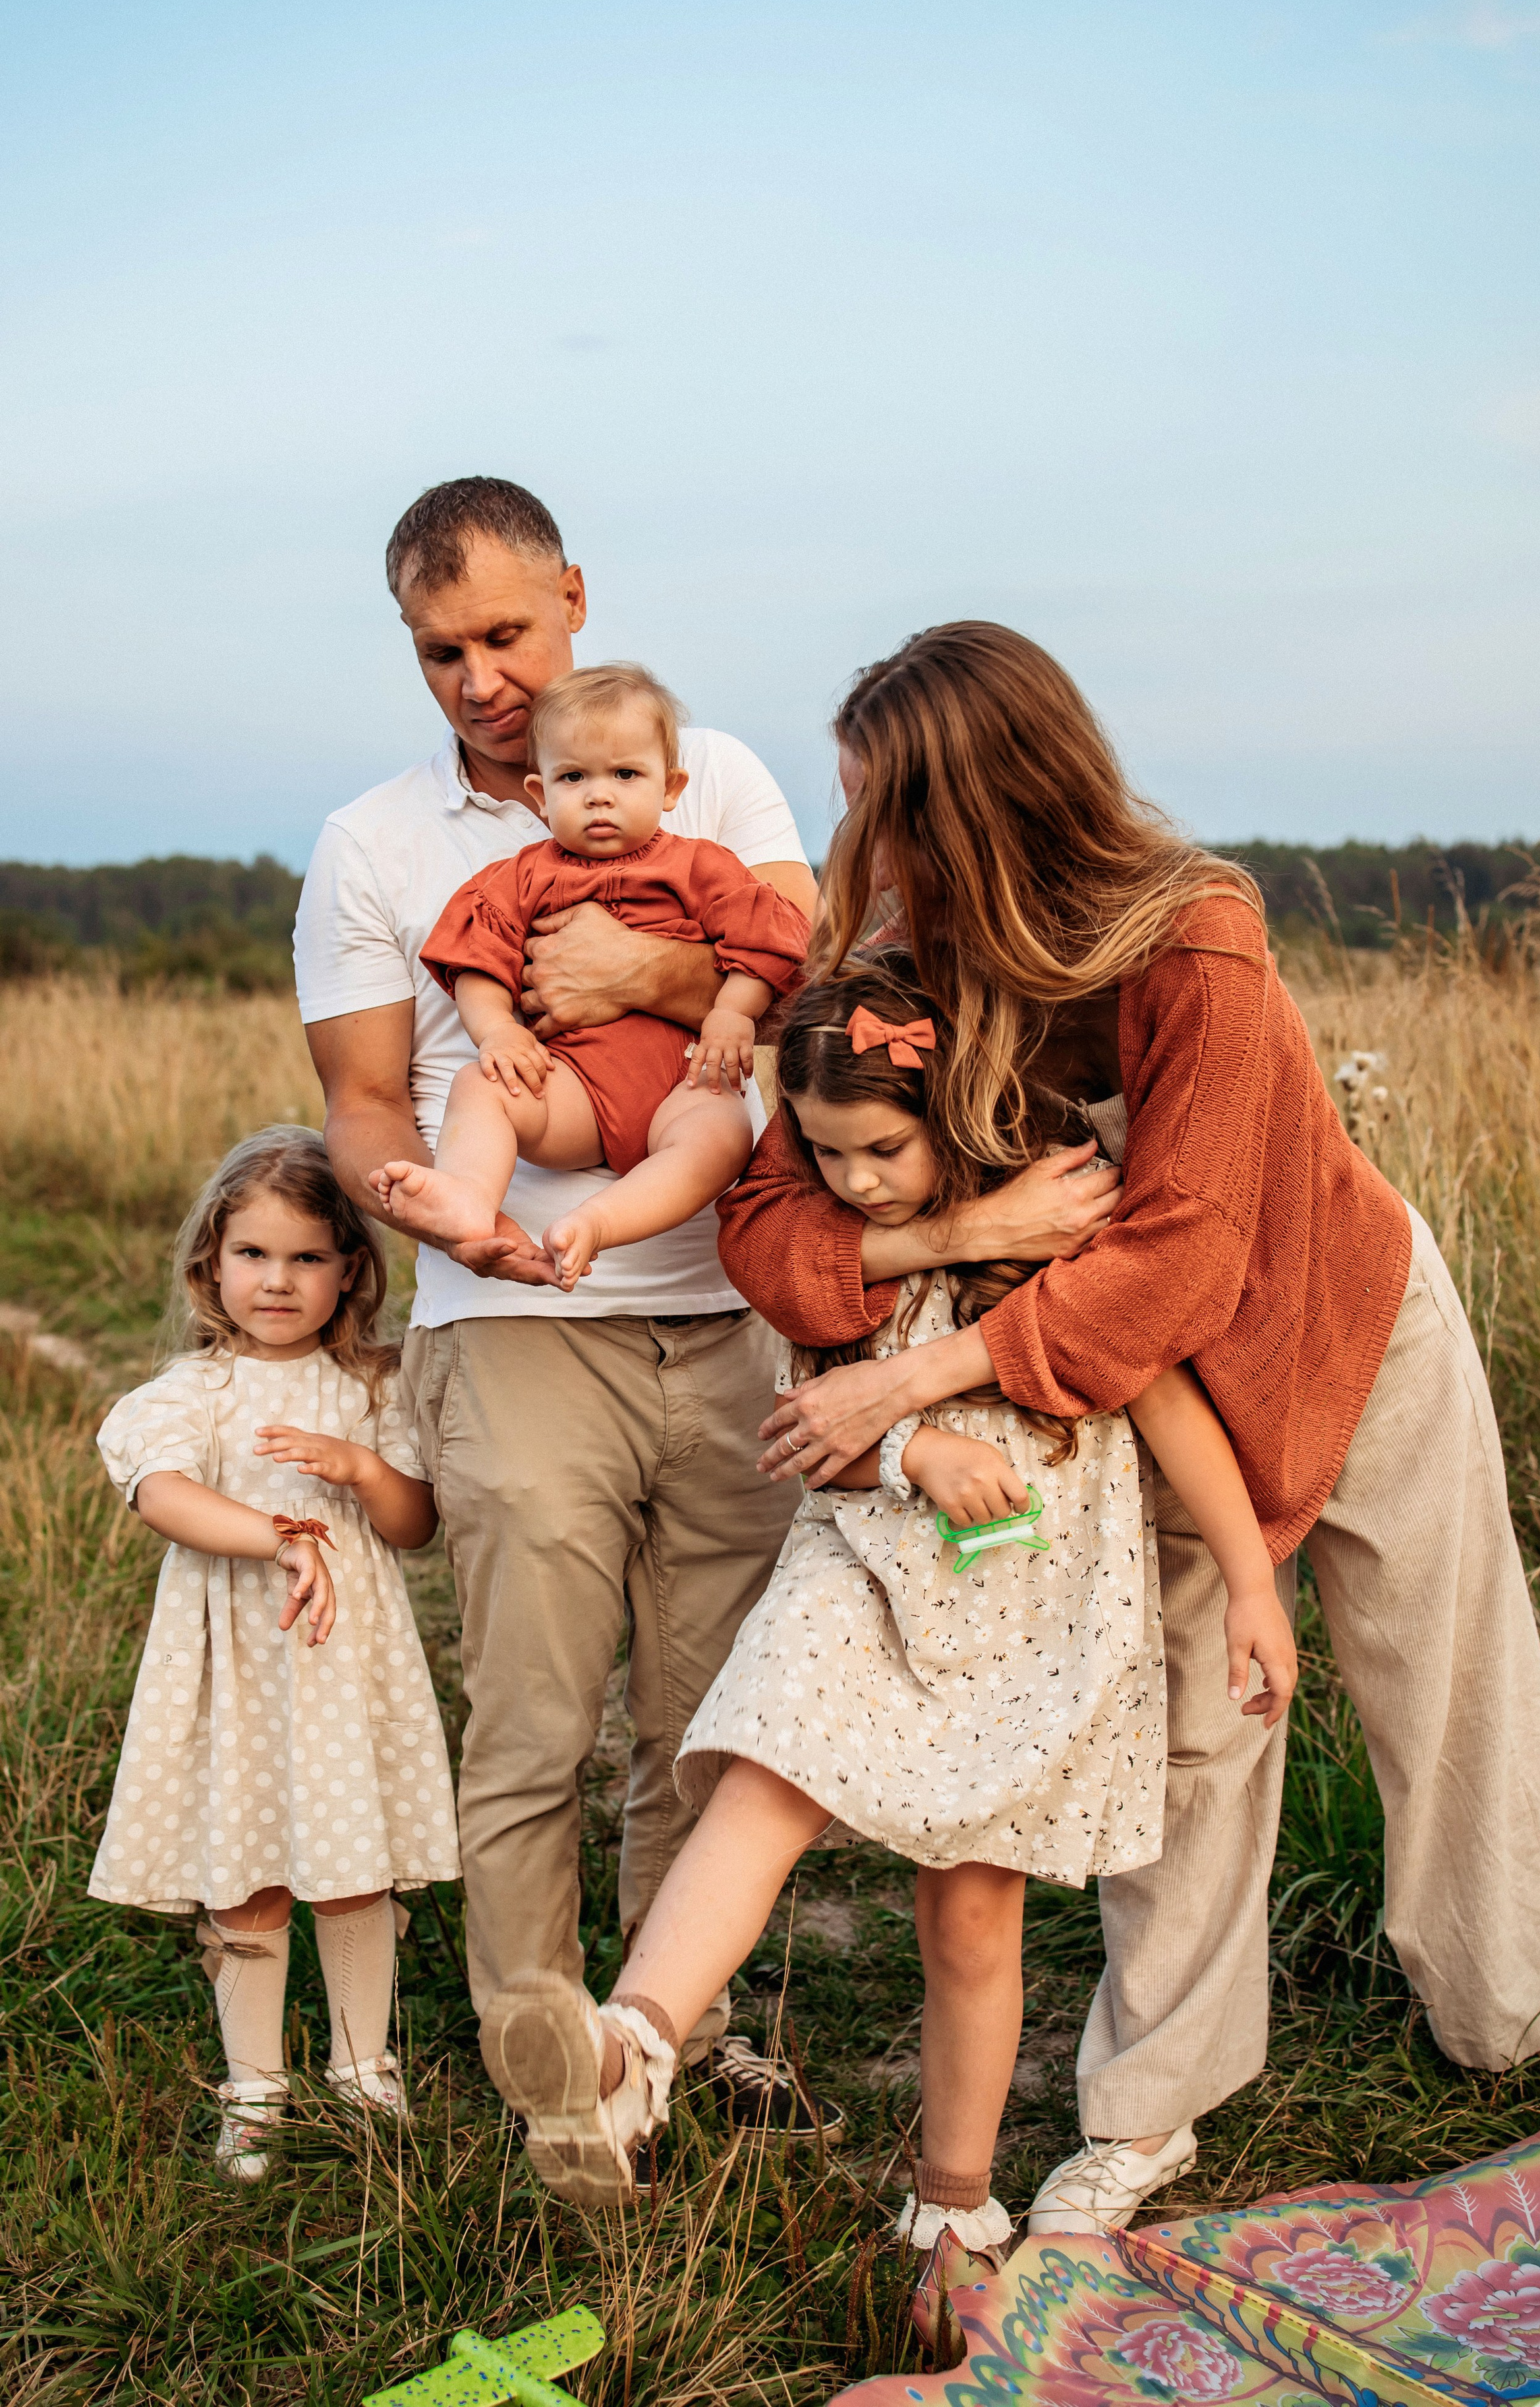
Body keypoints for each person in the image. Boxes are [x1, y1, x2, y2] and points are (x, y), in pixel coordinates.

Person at [713, 620, 1540, 2236]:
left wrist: (908, 1376)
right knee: (1196, 1721)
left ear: (981, 799)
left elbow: (1185, 1250)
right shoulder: (896, 957)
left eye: (880, 800)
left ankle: (1523, 1976)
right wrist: (918, 1249)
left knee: (1439, 1655)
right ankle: (1152, 2109)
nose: (859, 835)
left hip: (1336, 1311)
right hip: (1139, 1388)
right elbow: (760, 1211)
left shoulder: (1193, 932)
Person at [477, 962, 1295, 2302]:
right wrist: (911, 1446)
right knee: (766, 1767)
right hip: (861, 1572)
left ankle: (952, 2214)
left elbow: (1164, 1403)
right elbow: (815, 1437)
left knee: (970, 1922)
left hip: (1032, 1614)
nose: (853, 1181)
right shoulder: (843, 1272)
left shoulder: (1064, 1228)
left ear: (954, 1110)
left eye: (881, 1149)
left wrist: (1255, 1585)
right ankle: (631, 2048)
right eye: (823, 1149)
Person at [293, 477, 826, 2132]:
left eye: (504, 633)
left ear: (575, 598)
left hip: (716, 1308)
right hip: (511, 1321)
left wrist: (644, 978)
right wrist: (444, 1211)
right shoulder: (373, 841)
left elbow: (802, 979)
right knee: (532, 1710)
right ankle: (541, 2053)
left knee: (707, 1709)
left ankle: (681, 2030)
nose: (477, 679)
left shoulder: (706, 764)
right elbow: (366, 1098)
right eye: (437, 650)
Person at [90, 1126, 458, 2183]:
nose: (279, 1281)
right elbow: (163, 1494)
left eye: (307, 1258)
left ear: (351, 1270)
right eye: (254, 1255)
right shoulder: (193, 1392)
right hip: (235, 1673)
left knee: (351, 1869)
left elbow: (413, 1524)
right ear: (212, 1264)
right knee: (243, 1873)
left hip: (344, 1669)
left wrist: (356, 1468)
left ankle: (362, 2066)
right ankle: (254, 2083)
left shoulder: (376, 1389)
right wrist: (278, 1536)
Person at [373, 662, 811, 1287]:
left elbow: (768, 943)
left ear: (671, 787)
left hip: (689, 1081)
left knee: (724, 1134)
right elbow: (477, 955)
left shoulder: (701, 868)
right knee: (481, 1084)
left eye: (625, 774)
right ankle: (469, 1195)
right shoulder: (522, 877)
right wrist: (496, 1029)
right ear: (540, 793)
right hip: (572, 1087)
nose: (599, 795)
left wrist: (731, 1012)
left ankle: (597, 1224)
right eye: (573, 777)